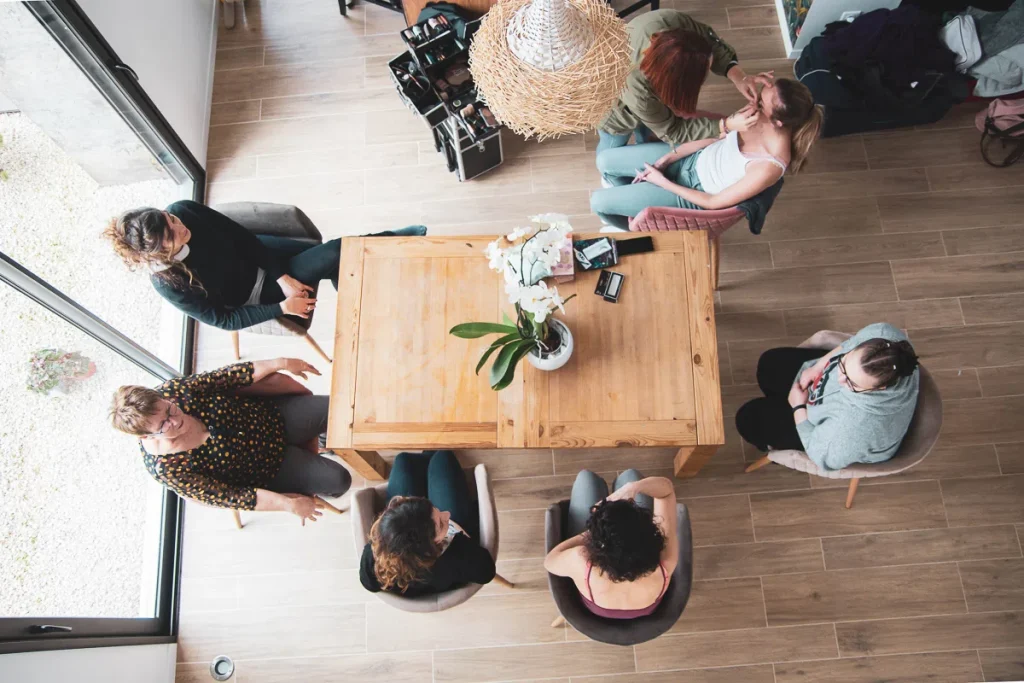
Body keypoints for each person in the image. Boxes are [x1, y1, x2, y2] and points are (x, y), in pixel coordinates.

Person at [105, 199, 427, 330]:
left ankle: (370, 268)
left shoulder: (184, 211)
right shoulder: (168, 282)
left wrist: (283, 275)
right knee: (334, 253)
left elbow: (240, 236)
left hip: (262, 254)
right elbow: (224, 319)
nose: (180, 227)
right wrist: (283, 307)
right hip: (259, 294)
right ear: (159, 253)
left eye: (171, 219)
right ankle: (392, 241)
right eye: (172, 236)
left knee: (332, 258)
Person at [110, 358, 350, 523]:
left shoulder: (173, 392)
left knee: (341, 408)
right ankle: (318, 454)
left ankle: (321, 439)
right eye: (163, 425)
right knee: (339, 480)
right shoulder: (169, 470)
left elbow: (228, 376)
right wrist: (288, 505)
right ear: (146, 436)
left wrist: (282, 362)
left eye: (169, 409)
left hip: (272, 417)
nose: (174, 419)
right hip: (269, 468)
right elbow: (231, 497)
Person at [590, 78, 823, 230]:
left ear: (778, 122)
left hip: (694, 194)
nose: (753, 102)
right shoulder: (753, 116)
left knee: (598, 203)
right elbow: (713, 137)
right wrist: (667, 159)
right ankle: (628, 199)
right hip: (690, 160)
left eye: (761, 103)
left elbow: (713, 202)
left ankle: (632, 227)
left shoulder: (770, 165)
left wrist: (662, 182)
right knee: (604, 161)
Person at [736, 323, 921, 471]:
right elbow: (848, 345)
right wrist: (818, 367)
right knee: (769, 364)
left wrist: (798, 407)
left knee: (748, 419)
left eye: (852, 384)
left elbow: (820, 455)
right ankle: (777, 405)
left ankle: (772, 442)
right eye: (843, 365)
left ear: (880, 388)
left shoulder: (854, 431)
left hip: (824, 437)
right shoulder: (884, 336)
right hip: (820, 402)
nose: (840, 379)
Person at [597, 8, 773, 155]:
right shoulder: (640, 94)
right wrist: (725, 125)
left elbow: (709, 41)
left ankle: (644, 142)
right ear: (678, 81)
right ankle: (611, 177)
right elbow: (672, 130)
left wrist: (737, 75)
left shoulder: (671, 20)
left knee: (648, 132)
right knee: (611, 149)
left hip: (638, 92)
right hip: (612, 110)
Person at [544, 470, 678, 619]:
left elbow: (550, 561)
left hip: (595, 607)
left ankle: (602, 483)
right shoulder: (666, 561)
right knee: (631, 475)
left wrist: (594, 532)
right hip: (643, 607)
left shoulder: (582, 560)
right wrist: (633, 487)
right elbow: (666, 491)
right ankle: (625, 482)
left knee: (587, 478)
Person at [360, 450, 495, 595]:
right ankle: (432, 456)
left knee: (404, 460)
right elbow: (486, 573)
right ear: (428, 549)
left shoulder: (375, 556)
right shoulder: (456, 556)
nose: (447, 514)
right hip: (448, 561)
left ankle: (429, 459)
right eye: (441, 524)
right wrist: (461, 538)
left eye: (434, 509)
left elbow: (369, 584)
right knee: (442, 457)